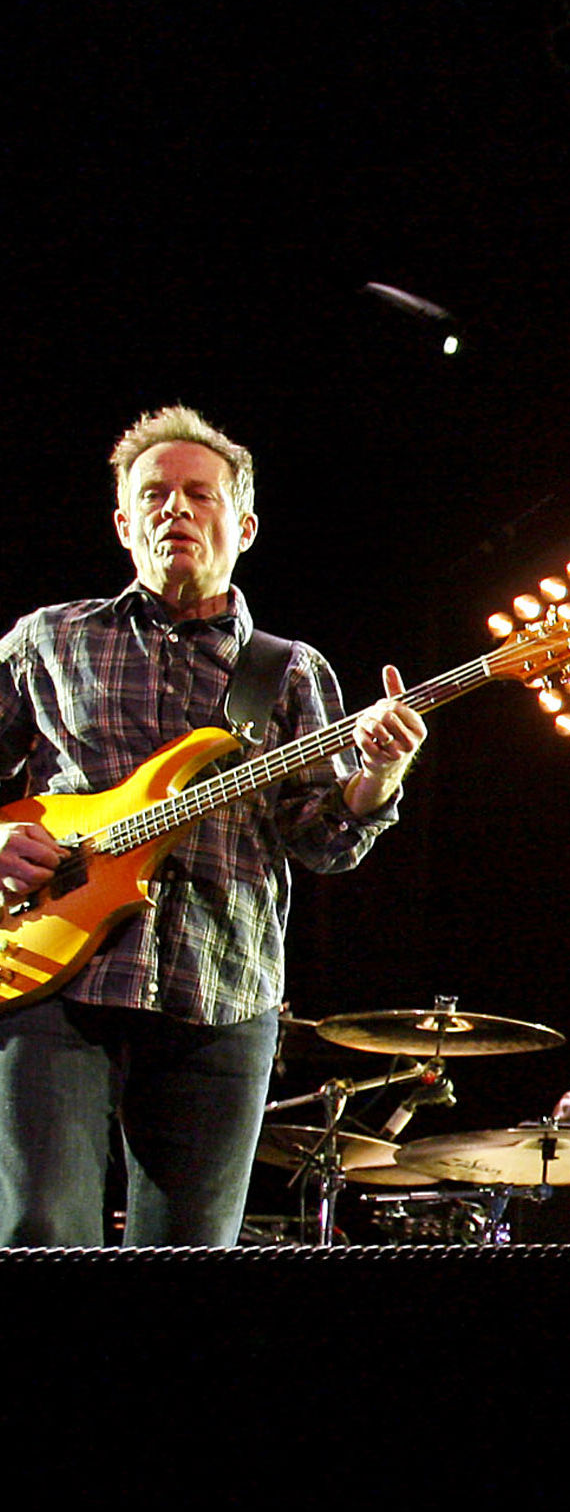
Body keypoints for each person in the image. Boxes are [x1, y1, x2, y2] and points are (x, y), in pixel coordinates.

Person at [0, 405, 426, 1245]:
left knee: (191, 1263)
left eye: (201, 493)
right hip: (49, 975)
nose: (177, 509)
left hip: (220, 983)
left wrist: (377, 776)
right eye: (154, 495)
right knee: (42, 1234)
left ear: (245, 523)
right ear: (125, 523)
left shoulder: (288, 671)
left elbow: (321, 841)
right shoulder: (46, 639)